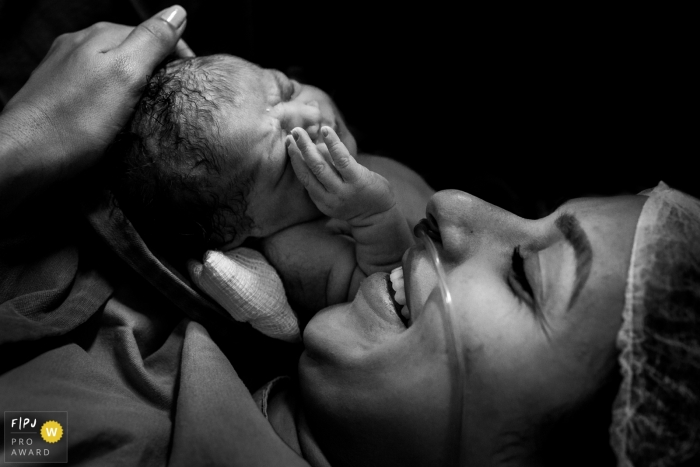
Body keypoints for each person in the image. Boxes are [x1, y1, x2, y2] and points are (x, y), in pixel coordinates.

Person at [2, 9, 699, 467]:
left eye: (524, 274)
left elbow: (18, 434)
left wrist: (13, 153)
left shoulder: (73, 432)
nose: (451, 206)